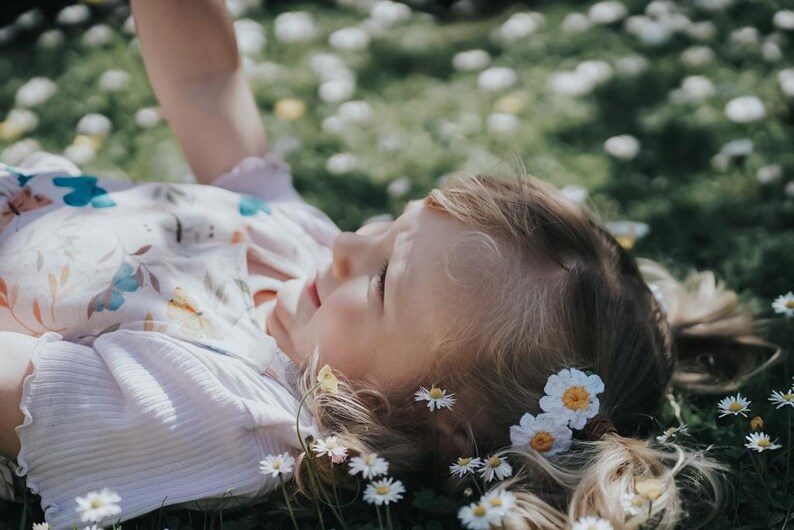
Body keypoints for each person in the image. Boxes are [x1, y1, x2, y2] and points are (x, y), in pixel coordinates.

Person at [0, 1, 781, 529]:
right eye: (389, 224)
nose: (344, 245)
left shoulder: (241, 410)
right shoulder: (307, 248)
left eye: (377, 283)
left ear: (443, 421)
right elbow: (207, 87)